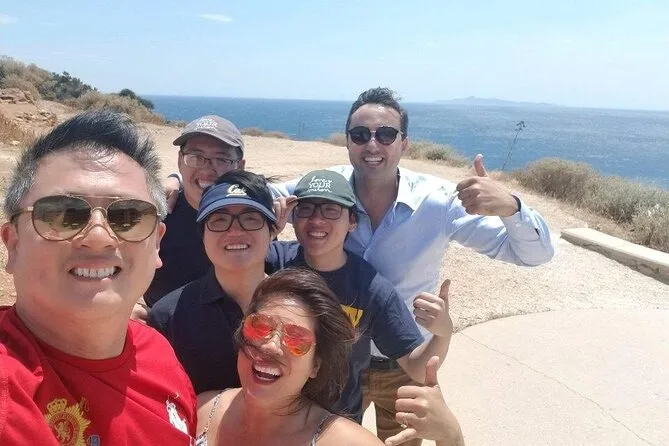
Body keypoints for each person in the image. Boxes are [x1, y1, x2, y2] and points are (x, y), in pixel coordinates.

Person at [270, 87, 555, 444]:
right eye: (360, 134)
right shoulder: (327, 189)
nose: (372, 144)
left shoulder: (438, 202)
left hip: (405, 362)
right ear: (347, 141)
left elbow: (534, 254)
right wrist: (187, 185)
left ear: (404, 143)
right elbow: (250, 200)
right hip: (333, 360)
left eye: (386, 134)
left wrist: (511, 207)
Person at [0, 110, 197, 444]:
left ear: (156, 244)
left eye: (128, 216)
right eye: (63, 214)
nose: (98, 237)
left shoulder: (158, 353)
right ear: (14, 244)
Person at [195, 269, 464, 446]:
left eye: (296, 339)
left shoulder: (345, 442)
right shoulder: (201, 410)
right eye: (260, 327)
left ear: (315, 366)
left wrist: (450, 436)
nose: (272, 346)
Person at [267, 169, 453, 422]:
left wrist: (442, 334)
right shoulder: (276, 260)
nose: (317, 220)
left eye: (331, 210)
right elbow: (227, 260)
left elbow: (416, 367)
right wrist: (267, 233)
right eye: (306, 209)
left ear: (352, 222)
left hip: (335, 421)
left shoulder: (371, 289)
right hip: (276, 411)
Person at [150, 170, 280, 394]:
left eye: (250, 219)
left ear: (272, 231)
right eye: (220, 220)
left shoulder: (302, 308)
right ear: (202, 236)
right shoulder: (169, 317)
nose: (235, 231)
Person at [144, 114, 246, 306]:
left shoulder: (253, 221)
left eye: (221, 159)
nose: (207, 169)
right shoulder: (157, 215)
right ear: (180, 160)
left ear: (240, 167)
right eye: (196, 157)